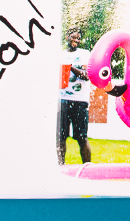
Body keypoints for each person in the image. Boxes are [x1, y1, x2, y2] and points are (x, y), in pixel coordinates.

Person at [57, 27, 92, 165]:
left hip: (80, 101)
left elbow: (87, 75)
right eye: (73, 37)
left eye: (78, 38)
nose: (76, 40)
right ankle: (60, 166)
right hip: (62, 100)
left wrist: (70, 67)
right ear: (67, 36)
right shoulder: (59, 54)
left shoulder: (84, 54)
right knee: (60, 137)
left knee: (82, 137)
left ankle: (88, 167)